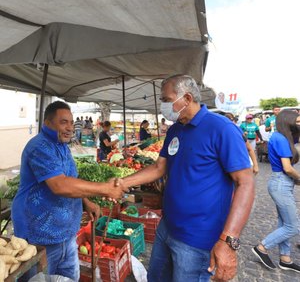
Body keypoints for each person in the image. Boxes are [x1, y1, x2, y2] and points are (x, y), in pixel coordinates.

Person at [116, 74, 255, 282]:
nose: (162, 105)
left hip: (198, 239)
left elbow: (245, 183)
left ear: (187, 98)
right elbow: (158, 167)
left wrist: (228, 241)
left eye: (166, 100)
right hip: (167, 228)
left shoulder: (222, 129)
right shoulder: (175, 130)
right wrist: (122, 183)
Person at [11, 101, 124, 281]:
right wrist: (105, 189)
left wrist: (86, 202)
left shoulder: (63, 147)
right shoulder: (39, 146)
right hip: (38, 239)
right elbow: (60, 185)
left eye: (71, 122)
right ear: (47, 123)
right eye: (64, 122)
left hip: (66, 234)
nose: (70, 127)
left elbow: (72, 179)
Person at [252, 110, 300, 272]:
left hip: (282, 183)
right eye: (298, 121)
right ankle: (262, 247)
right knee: (293, 226)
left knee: (285, 223)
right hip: (281, 182)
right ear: (289, 121)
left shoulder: (284, 138)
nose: (299, 123)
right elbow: (287, 168)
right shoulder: (280, 138)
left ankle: (285, 258)